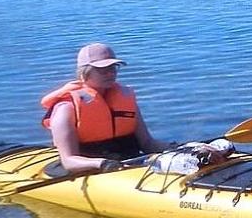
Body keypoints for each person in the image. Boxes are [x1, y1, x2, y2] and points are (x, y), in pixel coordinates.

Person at [41, 43, 169, 174]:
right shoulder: (66, 108)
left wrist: (175, 147)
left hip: (129, 163)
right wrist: (101, 163)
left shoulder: (126, 99)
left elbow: (147, 143)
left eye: (113, 68)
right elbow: (69, 161)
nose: (110, 73)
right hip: (90, 169)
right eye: (102, 70)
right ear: (85, 72)